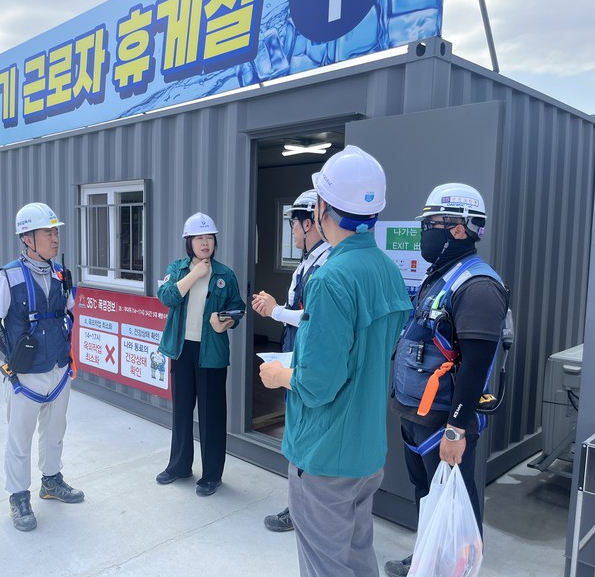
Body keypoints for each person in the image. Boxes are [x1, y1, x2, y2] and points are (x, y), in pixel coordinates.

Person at [260, 146, 411, 576]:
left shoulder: (331, 279)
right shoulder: (387, 270)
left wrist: (280, 374)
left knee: (325, 565)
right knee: (357, 556)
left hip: (325, 455)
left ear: (323, 208)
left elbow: (317, 383)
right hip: (366, 451)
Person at [384, 183, 510, 577]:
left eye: (431, 225)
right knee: (427, 491)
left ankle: (457, 568)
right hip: (418, 414)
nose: (425, 233)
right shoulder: (442, 276)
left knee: (455, 500)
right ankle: (427, 559)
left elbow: (476, 366)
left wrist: (457, 428)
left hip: (444, 422)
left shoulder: (478, 287)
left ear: (459, 228)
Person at [0, 202, 84, 532]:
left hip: (58, 370)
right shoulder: (8, 277)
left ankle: (51, 481)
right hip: (25, 377)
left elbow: (69, 312)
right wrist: (12, 357)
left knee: (55, 432)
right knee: (19, 439)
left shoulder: (60, 273)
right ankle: (18, 496)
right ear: (27, 238)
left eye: (56, 232)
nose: (55, 239)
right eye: (47, 233)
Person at [251, 188, 331, 533]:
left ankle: (306, 511)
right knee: (297, 431)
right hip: (295, 353)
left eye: (294, 225)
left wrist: (276, 311)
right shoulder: (308, 262)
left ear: (308, 223)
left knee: (308, 434)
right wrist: (275, 308)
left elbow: (316, 318)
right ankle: (299, 506)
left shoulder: (327, 264)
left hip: (309, 361)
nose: (293, 232)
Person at [156, 212, 246, 497]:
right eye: (199, 238)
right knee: (182, 411)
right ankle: (179, 466)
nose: (205, 243)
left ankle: (211, 475)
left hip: (211, 352)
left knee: (212, 415)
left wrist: (226, 322)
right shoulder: (178, 269)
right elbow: (166, 297)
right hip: (182, 350)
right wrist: (195, 275)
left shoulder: (225, 275)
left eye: (209, 238)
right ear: (189, 242)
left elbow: (238, 308)